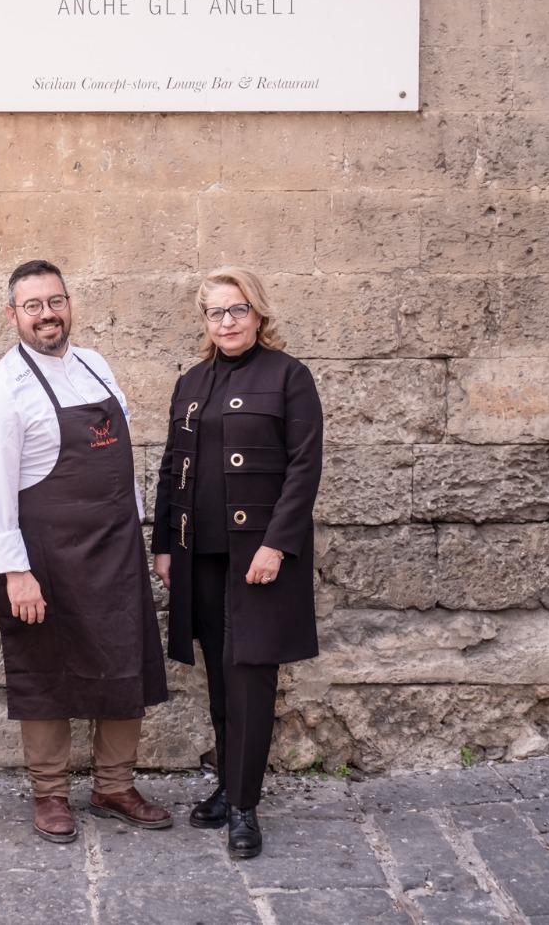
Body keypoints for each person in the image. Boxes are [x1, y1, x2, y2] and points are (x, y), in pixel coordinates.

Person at [0, 259, 171, 844]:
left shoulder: (95, 367)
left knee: (124, 660)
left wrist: (135, 531)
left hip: (116, 548)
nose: (47, 314)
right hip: (46, 560)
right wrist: (14, 573)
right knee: (47, 670)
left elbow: (122, 465)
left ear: (69, 304)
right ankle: (50, 793)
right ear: (12, 315)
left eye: (55, 301)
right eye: (32, 305)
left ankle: (114, 784)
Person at [150, 266, 323, 859]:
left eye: (237, 309)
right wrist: (164, 544)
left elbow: (304, 469)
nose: (226, 322)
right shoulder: (191, 381)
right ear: (204, 321)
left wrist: (277, 544)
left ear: (258, 312)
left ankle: (245, 808)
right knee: (220, 675)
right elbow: (173, 465)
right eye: (215, 312)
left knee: (249, 672)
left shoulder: (289, 377)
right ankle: (228, 784)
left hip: (259, 557)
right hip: (199, 555)